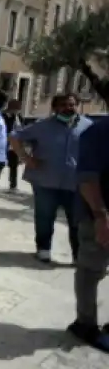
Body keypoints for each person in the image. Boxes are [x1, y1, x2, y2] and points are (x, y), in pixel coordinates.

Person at [9, 93, 92, 263]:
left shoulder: (88, 126)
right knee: (44, 217)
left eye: (71, 104)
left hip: (76, 183)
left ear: (77, 106)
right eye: (63, 105)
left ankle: (78, 256)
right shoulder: (42, 126)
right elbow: (14, 137)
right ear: (55, 108)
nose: (68, 108)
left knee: (77, 221)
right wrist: (26, 158)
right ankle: (43, 249)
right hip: (45, 181)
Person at [69, 116, 109, 352]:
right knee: (91, 270)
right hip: (99, 215)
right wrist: (101, 217)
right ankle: (85, 324)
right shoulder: (99, 132)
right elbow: (87, 179)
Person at [0, 98, 24, 193]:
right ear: (11, 108)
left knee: (14, 165)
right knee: (0, 164)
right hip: (4, 142)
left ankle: (13, 186)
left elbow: (21, 127)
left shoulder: (18, 116)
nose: (17, 111)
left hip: (14, 143)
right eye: (16, 109)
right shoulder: (3, 116)